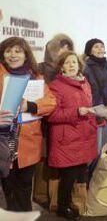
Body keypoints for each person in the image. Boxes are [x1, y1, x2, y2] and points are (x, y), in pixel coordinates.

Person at [0, 37, 56, 212]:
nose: (13, 55)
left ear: (26, 55)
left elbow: (51, 102)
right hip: (3, 144)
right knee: (7, 190)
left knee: (24, 189)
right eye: (8, 51)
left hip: (28, 145)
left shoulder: (36, 77)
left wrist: (30, 106)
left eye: (18, 51)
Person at [48, 52, 97, 220]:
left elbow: (88, 108)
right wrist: (76, 112)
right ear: (61, 66)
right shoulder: (56, 86)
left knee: (78, 174)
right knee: (68, 177)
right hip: (66, 139)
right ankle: (62, 207)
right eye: (67, 63)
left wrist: (99, 116)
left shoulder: (85, 84)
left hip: (83, 137)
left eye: (74, 62)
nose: (71, 65)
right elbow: (52, 114)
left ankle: (68, 203)